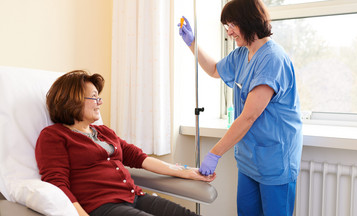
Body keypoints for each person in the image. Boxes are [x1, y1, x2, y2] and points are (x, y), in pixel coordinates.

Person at [178, 0, 302, 215]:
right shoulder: (241, 54)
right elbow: (215, 70)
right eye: (226, 26)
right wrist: (192, 43)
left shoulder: (272, 59)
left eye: (232, 24)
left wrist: (215, 153)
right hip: (249, 159)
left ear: (248, 20)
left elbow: (248, 117)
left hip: (275, 160)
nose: (229, 32)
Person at [35, 70, 215, 216]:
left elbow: (139, 158)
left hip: (135, 197)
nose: (100, 102)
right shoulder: (54, 136)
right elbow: (57, 184)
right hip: (102, 207)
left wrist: (188, 172)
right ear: (73, 100)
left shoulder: (104, 132)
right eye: (94, 97)